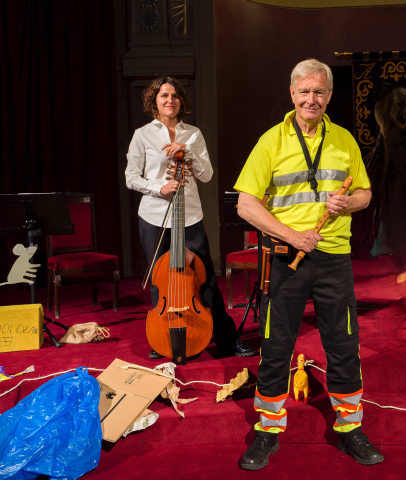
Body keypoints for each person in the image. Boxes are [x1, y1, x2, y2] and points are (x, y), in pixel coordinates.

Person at [234, 59, 381, 470]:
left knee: (343, 347)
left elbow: (366, 195)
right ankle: (267, 432)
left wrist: (347, 202)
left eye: (319, 92)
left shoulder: (345, 140)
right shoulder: (271, 141)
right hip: (287, 260)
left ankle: (350, 429)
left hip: (334, 259)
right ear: (292, 94)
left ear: (329, 96)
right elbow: (247, 205)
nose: (311, 99)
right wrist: (291, 235)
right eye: (304, 92)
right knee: (276, 348)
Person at [125, 75, 255, 360]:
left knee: (205, 279)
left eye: (174, 95)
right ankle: (164, 338)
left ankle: (226, 339)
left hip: (189, 218)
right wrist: (159, 188)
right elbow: (131, 178)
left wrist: (189, 153)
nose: (169, 100)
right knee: (163, 281)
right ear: (154, 101)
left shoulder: (193, 134)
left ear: (181, 100)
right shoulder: (142, 135)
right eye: (163, 95)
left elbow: (206, 175)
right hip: (154, 218)